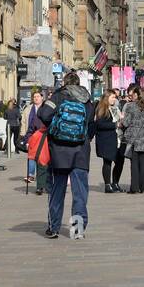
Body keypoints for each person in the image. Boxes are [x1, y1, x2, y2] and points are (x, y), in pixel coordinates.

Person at [37, 72, 96, 239]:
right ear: (79, 83)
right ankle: (77, 229)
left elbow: (43, 115)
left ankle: (54, 227)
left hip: (59, 150)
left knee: (57, 190)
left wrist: (55, 129)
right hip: (81, 152)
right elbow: (92, 124)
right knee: (80, 193)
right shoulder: (87, 100)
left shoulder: (58, 96)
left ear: (65, 83)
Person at [119, 87, 144, 194]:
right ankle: (143, 186)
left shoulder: (131, 106)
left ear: (136, 95)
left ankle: (134, 187)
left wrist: (122, 119)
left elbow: (126, 123)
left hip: (134, 137)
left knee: (134, 163)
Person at [92, 91, 122, 193]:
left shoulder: (115, 109)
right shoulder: (101, 108)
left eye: (115, 98)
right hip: (106, 140)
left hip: (116, 139)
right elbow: (99, 125)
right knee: (107, 162)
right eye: (113, 97)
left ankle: (115, 183)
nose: (114, 99)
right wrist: (115, 125)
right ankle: (107, 184)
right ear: (107, 98)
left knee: (119, 161)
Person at [25, 90, 49, 193]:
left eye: (38, 96)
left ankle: (46, 185)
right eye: (34, 97)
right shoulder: (33, 113)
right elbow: (30, 128)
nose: (36, 98)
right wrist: (28, 140)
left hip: (48, 140)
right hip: (38, 140)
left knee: (47, 164)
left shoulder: (47, 110)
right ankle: (40, 186)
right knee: (40, 163)